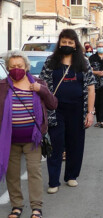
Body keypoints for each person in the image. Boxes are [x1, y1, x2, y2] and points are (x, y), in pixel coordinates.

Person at [40, 29, 97, 195]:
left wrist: (90, 112)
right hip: (55, 110)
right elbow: (43, 86)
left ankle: (72, 176)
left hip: (77, 110)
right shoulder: (51, 62)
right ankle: (53, 181)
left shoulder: (83, 62)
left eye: (70, 43)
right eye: (64, 42)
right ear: (59, 43)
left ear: (75, 44)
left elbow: (91, 88)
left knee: (76, 144)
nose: (66, 45)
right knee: (55, 145)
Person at [2, 51, 57, 218]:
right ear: (7, 68)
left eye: (19, 66)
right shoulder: (2, 86)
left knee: (35, 173)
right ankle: (16, 206)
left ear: (26, 67)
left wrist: (42, 90)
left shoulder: (38, 83)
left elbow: (53, 104)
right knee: (12, 175)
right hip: (9, 140)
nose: (16, 69)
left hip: (33, 139)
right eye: (12, 67)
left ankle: (36, 208)